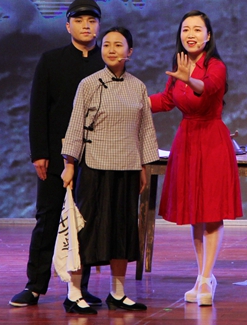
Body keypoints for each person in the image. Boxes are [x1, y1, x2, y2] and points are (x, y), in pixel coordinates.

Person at [9, 0, 104, 308]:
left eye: (91, 20)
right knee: (48, 218)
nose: (86, 26)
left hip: (94, 157)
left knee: (85, 222)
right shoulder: (51, 60)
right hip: (55, 155)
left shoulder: (106, 62)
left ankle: (78, 288)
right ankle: (35, 286)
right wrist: (39, 153)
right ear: (67, 26)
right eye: (79, 20)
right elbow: (38, 109)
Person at [61, 26, 159, 315]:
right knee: (87, 230)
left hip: (127, 167)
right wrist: (69, 164)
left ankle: (118, 293)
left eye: (118, 45)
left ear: (130, 52)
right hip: (95, 167)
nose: (112, 50)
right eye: (106, 45)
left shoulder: (138, 86)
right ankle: (74, 293)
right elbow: (75, 125)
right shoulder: (89, 84)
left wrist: (143, 166)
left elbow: (145, 130)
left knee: (123, 230)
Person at [149, 10, 243, 306]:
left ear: (208, 35)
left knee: (211, 212)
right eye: (186, 29)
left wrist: (189, 79)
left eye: (197, 29)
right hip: (187, 140)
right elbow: (167, 100)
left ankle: (205, 278)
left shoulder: (216, 66)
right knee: (195, 214)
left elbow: (208, 89)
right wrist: (132, 99)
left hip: (212, 140)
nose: (190, 34)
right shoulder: (179, 65)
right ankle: (203, 276)